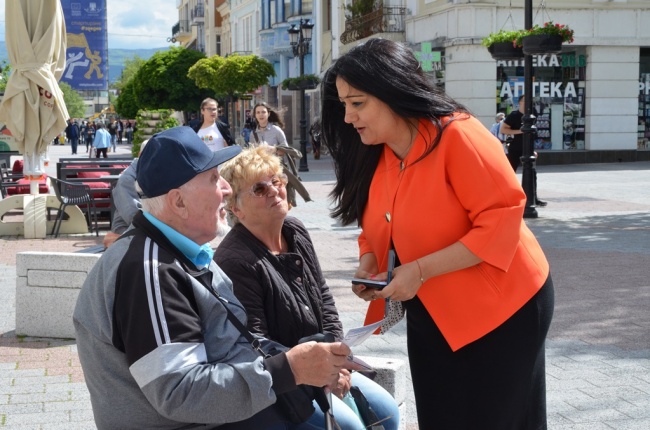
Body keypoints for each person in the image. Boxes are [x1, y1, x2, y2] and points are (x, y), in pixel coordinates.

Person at [320, 38, 554, 429]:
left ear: (393, 91)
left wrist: (421, 269)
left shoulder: (458, 134)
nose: (347, 117)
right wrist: (371, 266)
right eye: (344, 104)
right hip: (433, 311)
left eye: (357, 103)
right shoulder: (377, 153)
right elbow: (376, 226)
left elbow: (502, 220)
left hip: (506, 308)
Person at [73, 126, 363, 429]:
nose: (226, 189)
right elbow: (179, 393)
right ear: (178, 202)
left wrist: (300, 362)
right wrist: (288, 369)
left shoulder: (173, 251)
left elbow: (230, 342)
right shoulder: (150, 270)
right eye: (213, 179)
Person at [214, 146, 400, 430]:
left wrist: (338, 359)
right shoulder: (236, 260)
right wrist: (321, 372)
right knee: (349, 426)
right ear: (235, 208)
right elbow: (256, 343)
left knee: (387, 411)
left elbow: (325, 300)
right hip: (285, 382)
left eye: (277, 181)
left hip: (326, 365)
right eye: (260, 189)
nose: (275, 191)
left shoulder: (295, 230)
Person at [249, 101, 311, 208]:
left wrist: (274, 149)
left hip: (277, 168)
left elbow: (286, 150)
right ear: (255, 115)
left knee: (281, 194)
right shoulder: (253, 134)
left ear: (268, 114)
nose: (261, 115)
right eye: (258, 112)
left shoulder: (276, 130)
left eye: (263, 112)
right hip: (262, 169)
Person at [500, 95, 548, 206]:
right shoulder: (514, 115)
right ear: (520, 102)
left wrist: (533, 149)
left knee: (532, 174)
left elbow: (532, 134)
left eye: (529, 101)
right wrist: (521, 131)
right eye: (525, 101)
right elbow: (503, 129)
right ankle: (506, 197)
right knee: (510, 172)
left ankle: (533, 198)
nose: (527, 103)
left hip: (528, 148)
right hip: (515, 148)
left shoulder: (532, 115)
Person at [102, 140, 148, 249]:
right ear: (140, 155)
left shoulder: (148, 173)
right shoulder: (127, 179)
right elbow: (133, 217)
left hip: (143, 229)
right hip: (126, 230)